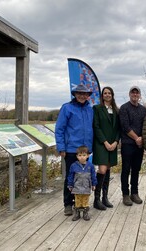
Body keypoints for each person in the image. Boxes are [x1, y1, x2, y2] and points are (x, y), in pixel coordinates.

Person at [55, 83, 94, 216]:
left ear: (88, 95)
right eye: (79, 93)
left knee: (84, 177)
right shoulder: (67, 108)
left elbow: (93, 129)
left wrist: (92, 147)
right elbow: (59, 129)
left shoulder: (90, 109)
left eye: (85, 94)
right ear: (75, 94)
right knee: (71, 177)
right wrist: (61, 147)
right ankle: (68, 204)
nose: (82, 96)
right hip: (71, 149)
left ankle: (81, 203)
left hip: (86, 150)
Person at [92, 86, 120, 210]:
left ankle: (105, 197)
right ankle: (96, 199)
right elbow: (96, 126)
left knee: (108, 169)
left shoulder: (116, 110)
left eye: (109, 93)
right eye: (105, 93)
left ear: (112, 95)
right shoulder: (97, 108)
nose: (107, 95)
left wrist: (115, 141)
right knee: (102, 170)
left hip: (113, 144)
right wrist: (105, 142)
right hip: (101, 144)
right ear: (102, 95)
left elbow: (119, 128)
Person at [119, 86, 146, 206]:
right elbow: (125, 126)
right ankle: (125, 194)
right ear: (129, 94)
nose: (135, 95)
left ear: (140, 95)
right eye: (133, 92)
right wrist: (136, 138)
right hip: (127, 144)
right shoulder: (124, 108)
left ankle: (134, 193)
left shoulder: (143, 110)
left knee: (136, 169)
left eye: (137, 93)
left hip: (139, 145)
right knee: (126, 169)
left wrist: (141, 139)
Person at [67, 146, 97, 221]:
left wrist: (94, 184)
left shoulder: (90, 166)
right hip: (77, 187)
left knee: (85, 201)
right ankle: (77, 213)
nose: (82, 157)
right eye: (80, 155)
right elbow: (70, 176)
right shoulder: (73, 166)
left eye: (84, 155)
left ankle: (85, 213)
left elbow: (93, 176)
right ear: (77, 156)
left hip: (86, 187)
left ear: (87, 155)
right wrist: (70, 185)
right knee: (77, 201)